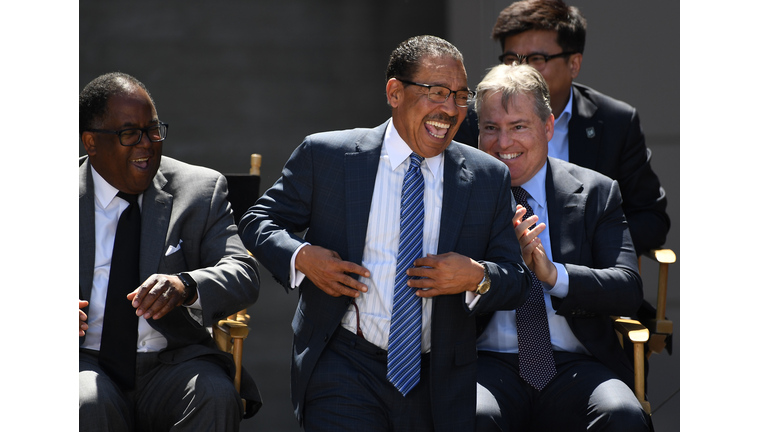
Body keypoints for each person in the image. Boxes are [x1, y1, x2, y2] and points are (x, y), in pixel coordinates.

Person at [239, 35, 531, 432]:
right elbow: (259, 221)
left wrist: (476, 276)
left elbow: (515, 280)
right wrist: (302, 257)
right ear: (395, 92)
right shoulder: (329, 156)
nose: (450, 109)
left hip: (437, 377)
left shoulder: (485, 176)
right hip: (343, 362)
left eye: (462, 96)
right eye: (437, 92)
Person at [79, 72, 262, 432]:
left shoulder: (200, 191)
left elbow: (243, 271)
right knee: (86, 401)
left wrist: (186, 285)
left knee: (215, 395)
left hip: (173, 362)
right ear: (92, 142)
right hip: (85, 360)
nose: (147, 144)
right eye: (129, 133)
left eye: (153, 129)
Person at [474, 63, 651, 431]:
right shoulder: (461, 193)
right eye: (491, 128)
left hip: (574, 362)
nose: (503, 143)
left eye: (518, 126)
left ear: (548, 126)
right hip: (486, 361)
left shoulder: (596, 192)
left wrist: (554, 275)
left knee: (621, 414)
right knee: (471, 416)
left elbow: (627, 287)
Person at [454, 0, 669, 257]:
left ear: (574, 64)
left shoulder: (615, 122)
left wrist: (582, 249)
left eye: (537, 58)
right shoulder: (474, 119)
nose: (522, 70)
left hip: (584, 283)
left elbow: (651, 220)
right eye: (512, 59)